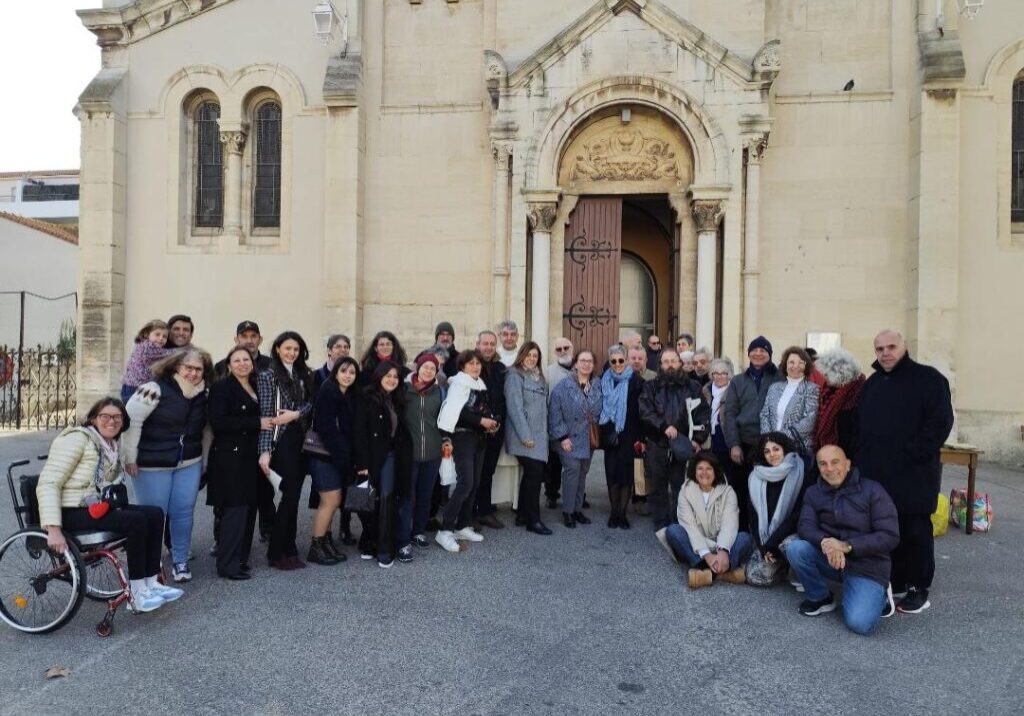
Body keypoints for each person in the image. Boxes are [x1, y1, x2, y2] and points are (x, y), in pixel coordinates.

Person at [37, 398, 183, 612]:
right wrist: (53, 529)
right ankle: (137, 593)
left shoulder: (112, 444)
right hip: (70, 510)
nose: (111, 421)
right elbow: (48, 482)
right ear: (94, 418)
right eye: (105, 416)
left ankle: (151, 582)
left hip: (97, 507)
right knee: (136, 521)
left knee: (154, 513)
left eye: (117, 417)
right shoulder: (77, 439)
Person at [855, 330, 953, 614]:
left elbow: (940, 422)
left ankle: (917, 587)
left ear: (904, 347)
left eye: (891, 347)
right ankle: (895, 579)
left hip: (914, 473)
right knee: (886, 528)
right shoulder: (872, 384)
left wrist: (914, 453)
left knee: (914, 530)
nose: (885, 353)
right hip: (877, 475)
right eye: (879, 349)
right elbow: (862, 427)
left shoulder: (929, 379)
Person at [784, 445, 899, 635]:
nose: (829, 468)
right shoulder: (813, 492)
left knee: (860, 623)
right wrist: (827, 543)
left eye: (835, 462)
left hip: (867, 565)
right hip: (831, 558)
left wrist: (847, 546)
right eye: (823, 464)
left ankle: (880, 595)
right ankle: (821, 597)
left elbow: (889, 535)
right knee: (795, 548)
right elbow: (805, 526)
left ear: (847, 464)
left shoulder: (873, 490)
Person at [123, 348, 212, 583]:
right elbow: (131, 423)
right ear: (175, 367)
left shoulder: (204, 394)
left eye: (198, 369)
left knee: (184, 511)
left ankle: (180, 560)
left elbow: (206, 430)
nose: (193, 373)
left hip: (189, 462)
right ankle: (150, 565)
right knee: (154, 515)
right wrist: (129, 458)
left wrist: (204, 459)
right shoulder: (153, 389)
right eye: (188, 368)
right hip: (152, 464)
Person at [206, 346, 272, 579]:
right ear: (229, 365)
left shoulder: (255, 386)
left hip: (249, 457)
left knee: (248, 510)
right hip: (230, 458)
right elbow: (219, 422)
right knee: (235, 510)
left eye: (246, 359)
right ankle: (227, 565)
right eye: (237, 360)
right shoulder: (221, 388)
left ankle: (240, 559)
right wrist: (257, 423)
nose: (243, 363)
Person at [257, 331, 313, 570]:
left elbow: (311, 403)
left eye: (296, 349)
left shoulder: (304, 374)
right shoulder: (268, 375)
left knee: (295, 495)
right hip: (282, 441)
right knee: (289, 495)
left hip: (301, 438)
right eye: (287, 348)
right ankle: (276, 551)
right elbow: (267, 416)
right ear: (278, 349)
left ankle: (289, 547)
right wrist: (265, 450)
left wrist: (296, 414)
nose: (292, 353)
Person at [638, 349, 709, 529]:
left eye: (673, 361)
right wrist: (663, 427)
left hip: (683, 444)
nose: (670, 365)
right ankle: (661, 523)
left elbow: (703, 415)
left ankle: (680, 522)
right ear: (660, 365)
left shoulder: (693, 387)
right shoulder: (650, 386)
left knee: (681, 485)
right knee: (657, 485)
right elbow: (646, 412)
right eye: (665, 361)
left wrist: (698, 440)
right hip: (657, 443)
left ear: (680, 363)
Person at [352, 361, 413, 568]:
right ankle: (369, 543)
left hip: (392, 456)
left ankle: (384, 549)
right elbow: (358, 432)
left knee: (386, 499)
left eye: (396, 376)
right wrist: (361, 463)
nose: (392, 380)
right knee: (370, 501)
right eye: (388, 375)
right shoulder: (366, 397)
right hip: (372, 457)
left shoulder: (397, 399)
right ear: (379, 376)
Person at [436, 349, 498, 552]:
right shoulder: (459, 383)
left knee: (475, 483)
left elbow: (482, 409)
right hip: (462, 438)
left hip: (478, 438)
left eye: (478, 363)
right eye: (471, 363)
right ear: (462, 366)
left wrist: (491, 423)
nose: (475, 366)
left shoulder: (479, 383)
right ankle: (445, 529)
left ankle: (462, 525)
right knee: (465, 484)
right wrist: (482, 421)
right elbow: (459, 413)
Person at [662, 451, 752, 589]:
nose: (704, 473)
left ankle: (705, 572)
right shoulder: (685, 491)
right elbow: (689, 526)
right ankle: (722, 570)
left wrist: (722, 550)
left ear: (716, 471)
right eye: (700, 468)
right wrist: (707, 555)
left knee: (744, 538)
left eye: (709, 468)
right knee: (673, 531)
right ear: (694, 471)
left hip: (721, 543)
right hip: (697, 545)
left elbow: (730, 523)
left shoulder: (728, 492)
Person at [722, 336, 782, 524]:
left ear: (769, 354)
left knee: (765, 492)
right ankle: (741, 531)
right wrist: (734, 445)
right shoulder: (738, 381)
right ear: (748, 354)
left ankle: (763, 532)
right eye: (754, 350)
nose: (758, 353)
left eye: (763, 350)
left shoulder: (779, 378)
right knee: (740, 489)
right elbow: (729, 413)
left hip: (770, 444)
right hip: (744, 442)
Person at [307, 356, 360, 565]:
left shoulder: (347, 394)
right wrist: (343, 459)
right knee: (331, 501)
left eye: (352, 372)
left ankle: (325, 542)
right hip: (325, 456)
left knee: (329, 502)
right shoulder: (328, 392)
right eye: (344, 371)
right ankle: (316, 546)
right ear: (335, 372)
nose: (348, 375)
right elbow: (327, 430)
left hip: (337, 457)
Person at [745, 432, 815, 587]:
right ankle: (780, 565)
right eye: (767, 451)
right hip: (767, 539)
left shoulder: (800, 471)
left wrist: (774, 543)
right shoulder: (756, 476)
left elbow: (798, 513)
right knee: (754, 577)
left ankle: (794, 566)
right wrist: (763, 547)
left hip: (791, 535)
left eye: (776, 449)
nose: (772, 454)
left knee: (791, 545)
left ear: (785, 449)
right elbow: (753, 517)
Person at [548, 350, 603, 528]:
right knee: (572, 473)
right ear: (576, 364)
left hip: (589, 439)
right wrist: (562, 437)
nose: (586, 364)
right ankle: (568, 511)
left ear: (593, 365)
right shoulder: (564, 386)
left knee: (582, 474)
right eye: (582, 360)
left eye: (590, 361)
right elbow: (554, 412)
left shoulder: (597, 384)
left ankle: (577, 509)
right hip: (568, 438)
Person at [399, 354, 446, 558]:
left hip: (433, 453)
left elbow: (444, 420)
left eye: (432, 368)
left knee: (425, 495)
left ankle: (418, 531)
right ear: (418, 368)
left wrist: (447, 440)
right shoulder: (404, 389)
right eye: (425, 366)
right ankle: (403, 537)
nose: (428, 371)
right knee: (407, 497)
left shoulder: (440, 392)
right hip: (410, 454)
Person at [503, 341, 552, 535]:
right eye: (529, 355)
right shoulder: (514, 376)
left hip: (539, 436)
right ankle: (534, 520)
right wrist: (525, 436)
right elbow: (514, 408)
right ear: (522, 355)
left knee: (531, 476)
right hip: (524, 436)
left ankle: (523, 515)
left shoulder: (539, 378)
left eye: (535, 356)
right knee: (534, 475)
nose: (532, 359)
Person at [599, 344, 644, 529]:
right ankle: (614, 511)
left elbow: (642, 413)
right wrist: (607, 432)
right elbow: (600, 408)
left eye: (621, 360)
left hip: (629, 434)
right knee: (612, 475)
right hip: (610, 433)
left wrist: (640, 438)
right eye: (613, 361)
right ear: (609, 362)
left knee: (626, 476)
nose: (617, 364)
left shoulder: (637, 382)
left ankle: (623, 514)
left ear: (626, 360)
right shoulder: (604, 380)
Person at [759, 346, 820, 460]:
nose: (795, 366)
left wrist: (781, 438)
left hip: (797, 449)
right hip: (772, 450)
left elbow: (809, 420)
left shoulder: (812, 389)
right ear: (785, 365)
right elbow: (764, 414)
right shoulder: (774, 387)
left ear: (806, 366)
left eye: (801, 363)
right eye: (791, 362)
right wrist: (769, 439)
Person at [474, 330, 507, 528]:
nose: (488, 347)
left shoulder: (501, 368)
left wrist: (498, 422)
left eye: (491, 344)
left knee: (487, 472)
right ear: (477, 344)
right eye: (484, 343)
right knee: (471, 473)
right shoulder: (470, 365)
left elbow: (503, 399)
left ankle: (484, 511)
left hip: (496, 429)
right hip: (475, 429)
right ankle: (469, 513)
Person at [813, 348, 865, 458]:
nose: (824, 377)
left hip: (849, 453)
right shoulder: (829, 390)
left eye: (827, 374)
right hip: (829, 451)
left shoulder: (858, 392)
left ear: (840, 373)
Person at [543, 337, 574, 509]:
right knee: (553, 465)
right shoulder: (548, 372)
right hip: (555, 426)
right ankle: (551, 494)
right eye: (559, 349)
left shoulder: (581, 367)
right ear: (555, 352)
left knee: (575, 465)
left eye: (566, 347)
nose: (563, 351)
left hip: (576, 427)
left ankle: (577, 494)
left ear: (572, 348)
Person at [120, 319, 177, 403]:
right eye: (157, 334)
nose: (161, 338)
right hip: (135, 386)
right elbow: (168, 353)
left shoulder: (141, 345)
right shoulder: (147, 348)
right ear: (147, 334)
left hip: (130, 383)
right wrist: (185, 350)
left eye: (164, 336)